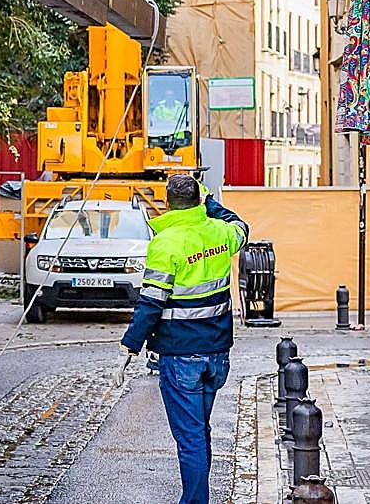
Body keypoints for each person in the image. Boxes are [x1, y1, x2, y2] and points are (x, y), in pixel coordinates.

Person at [114, 174, 250, 504]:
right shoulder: (219, 232)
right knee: (199, 432)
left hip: (181, 357)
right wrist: (210, 202)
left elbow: (151, 303)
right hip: (217, 354)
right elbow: (241, 227)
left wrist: (129, 346)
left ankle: (194, 501)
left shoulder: (166, 243)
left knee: (190, 437)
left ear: (167, 202)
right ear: (199, 199)